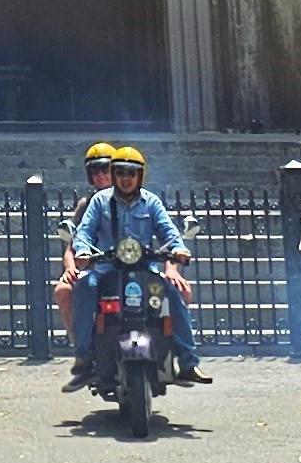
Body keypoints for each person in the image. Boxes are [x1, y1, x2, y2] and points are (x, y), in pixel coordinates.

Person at [67, 147, 202, 385]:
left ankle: (188, 362)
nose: (126, 179)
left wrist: (179, 249)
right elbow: (84, 232)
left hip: (145, 268)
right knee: (85, 286)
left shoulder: (151, 202)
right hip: (106, 268)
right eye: (120, 173)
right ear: (114, 175)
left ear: (140, 176)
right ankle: (84, 356)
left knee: (173, 292)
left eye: (131, 173)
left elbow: (168, 232)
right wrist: (84, 252)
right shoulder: (100, 201)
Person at [52, 143, 121, 388]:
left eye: (106, 169)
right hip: (96, 265)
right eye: (95, 170)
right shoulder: (87, 205)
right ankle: (83, 352)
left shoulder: (137, 197)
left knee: (178, 290)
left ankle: (177, 354)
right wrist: (71, 268)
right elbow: (73, 243)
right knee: (65, 290)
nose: (101, 175)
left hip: (131, 264)